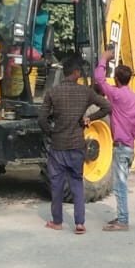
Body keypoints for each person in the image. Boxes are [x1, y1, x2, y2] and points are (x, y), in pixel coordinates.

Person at [39, 54, 110, 234]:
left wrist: (51, 132)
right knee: (77, 184)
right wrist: (89, 118)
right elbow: (107, 107)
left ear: (64, 73)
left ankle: (57, 221)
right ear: (77, 73)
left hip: (58, 147)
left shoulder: (52, 92)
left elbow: (41, 119)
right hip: (77, 146)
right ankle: (79, 223)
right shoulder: (85, 92)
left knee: (56, 185)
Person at [93, 47, 135, 231]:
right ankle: (120, 217)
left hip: (121, 147)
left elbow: (98, 79)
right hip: (130, 147)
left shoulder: (115, 95)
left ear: (116, 78)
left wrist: (103, 59)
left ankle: (123, 221)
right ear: (129, 79)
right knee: (122, 184)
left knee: (120, 187)